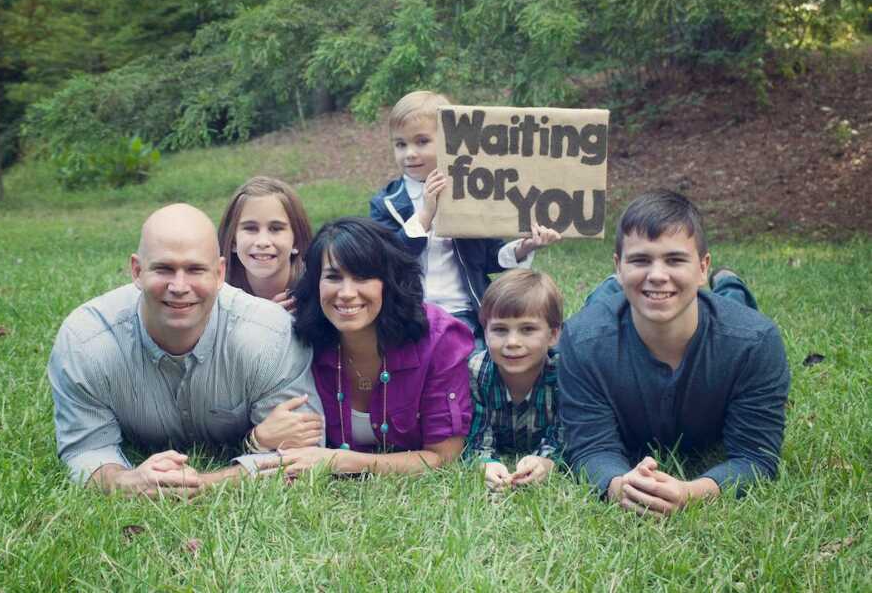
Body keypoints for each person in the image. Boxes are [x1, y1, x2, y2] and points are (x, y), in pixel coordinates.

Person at [48, 203, 324, 496]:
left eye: (195, 269)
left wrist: (203, 485)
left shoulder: (270, 335)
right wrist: (127, 482)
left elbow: (300, 455)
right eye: (164, 269)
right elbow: (85, 449)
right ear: (137, 271)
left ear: (219, 274)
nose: (179, 286)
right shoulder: (85, 342)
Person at [558, 190, 790, 516]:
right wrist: (618, 485)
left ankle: (729, 282)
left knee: (734, 303)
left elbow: (757, 456)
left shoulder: (756, 342)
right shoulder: (580, 341)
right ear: (619, 266)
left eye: (675, 259)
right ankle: (613, 287)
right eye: (640, 259)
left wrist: (692, 492)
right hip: (613, 317)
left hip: (721, 317)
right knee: (600, 307)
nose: (657, 273)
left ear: (702, 267)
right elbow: (589, 447)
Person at [273, 217, 474, 476]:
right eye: (333, 277)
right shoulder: (298, 340)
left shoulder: (440, 340)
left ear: (388, 283)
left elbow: (444, 457)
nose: (346, 292)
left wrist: (340, 461)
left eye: (362, 277)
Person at [369, 90, 561, 344]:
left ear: (451, 141)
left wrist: (526, 246)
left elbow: (490, 257)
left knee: (470, 369)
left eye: (422, 141)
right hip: (408, 313)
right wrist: (426, 214)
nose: (410, 153)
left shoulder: (471, 193)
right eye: (401, 144)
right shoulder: (386, 203)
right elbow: (389, 259)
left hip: (463, 312)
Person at [464, 269, 565, 491]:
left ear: (553, 335)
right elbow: (477, 435)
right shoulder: (476, 371)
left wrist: (545, 461)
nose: (512, 342)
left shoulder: (563, 373)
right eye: (500, 330)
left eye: (527, 329)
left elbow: (563, 434)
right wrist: (485, 463)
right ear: (485, 333)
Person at [217, 176, 313, 312]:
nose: (262, 242)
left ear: (296, 241)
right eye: (250, 228)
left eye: (276, 228)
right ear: (233, 240)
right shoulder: (217, 300)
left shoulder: (316, 294)